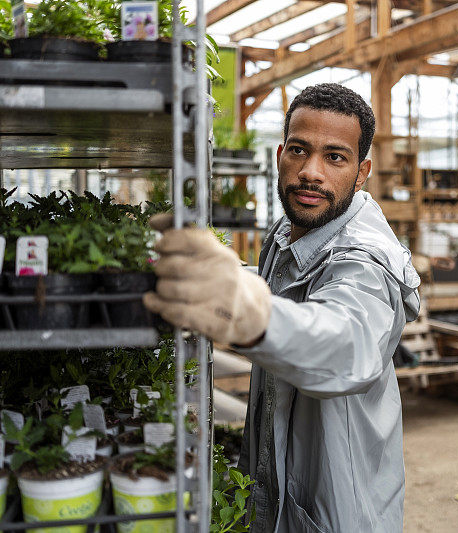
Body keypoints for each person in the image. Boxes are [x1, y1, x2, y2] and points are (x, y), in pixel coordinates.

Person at [144, 82, 421, 532]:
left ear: (362, 171)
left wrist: (248, 312)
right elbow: (288, 299)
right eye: (299, 150)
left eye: (335, 157)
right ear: (279, 156)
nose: (311, 172)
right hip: (277, 491)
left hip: (337, 509)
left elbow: (346, 342)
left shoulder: (367, 260)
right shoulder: (287, 234)